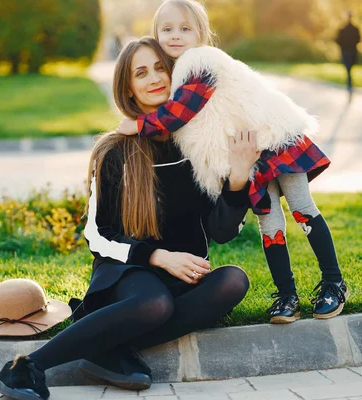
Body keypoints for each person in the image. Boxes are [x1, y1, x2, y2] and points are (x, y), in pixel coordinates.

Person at [0, 37, 259, 400]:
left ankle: (107, 345)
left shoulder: (198, 144)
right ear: (128, 88)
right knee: (155, 303)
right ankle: (26, 367)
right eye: (141, 73)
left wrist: (238, 179)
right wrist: (156, 256)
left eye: (160, 68)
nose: (153, 79)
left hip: (184, 275)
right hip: (128, 273)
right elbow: (96, 235)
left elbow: (222, 232)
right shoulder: (115, 150)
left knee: (233, 281)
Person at [117, 0, 349, 325]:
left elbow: (184, 110)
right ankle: (287, 295)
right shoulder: (178, 72)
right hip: (249, 153)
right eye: (167, 29)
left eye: (185, 28)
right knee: (269, 223)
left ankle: (334, 282)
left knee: (301, 207)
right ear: (156, 34)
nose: (175, 35)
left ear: (201, 33)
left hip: (274, 138)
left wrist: (140, 125)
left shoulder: (201, 62)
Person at [335, 11, 361, 95]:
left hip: (347, 50)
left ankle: (349, 81)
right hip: (350, 50)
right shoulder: (352, 29)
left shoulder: (345, 29)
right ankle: (349, 81)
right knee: (349, 67)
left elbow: (338, 40)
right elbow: (359, 39)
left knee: (348, 67)